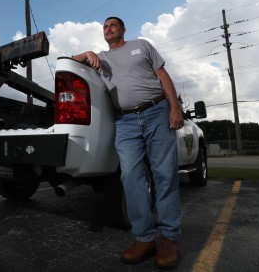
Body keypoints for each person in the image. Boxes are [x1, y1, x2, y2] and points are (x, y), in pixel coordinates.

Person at [72, 17, 184, 270]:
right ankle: (144, 238)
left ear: (123, 29)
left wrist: (175, 107)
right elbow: (68, 63)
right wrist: (87, 52)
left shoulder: (141, 46)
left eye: (112, 25)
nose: (108, 29)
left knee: (164, 174)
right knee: (131, 176)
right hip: (125, 121)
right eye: (104, 27)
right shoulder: (99, 58)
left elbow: (163, 76)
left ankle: (169, 239)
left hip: (157, 111)